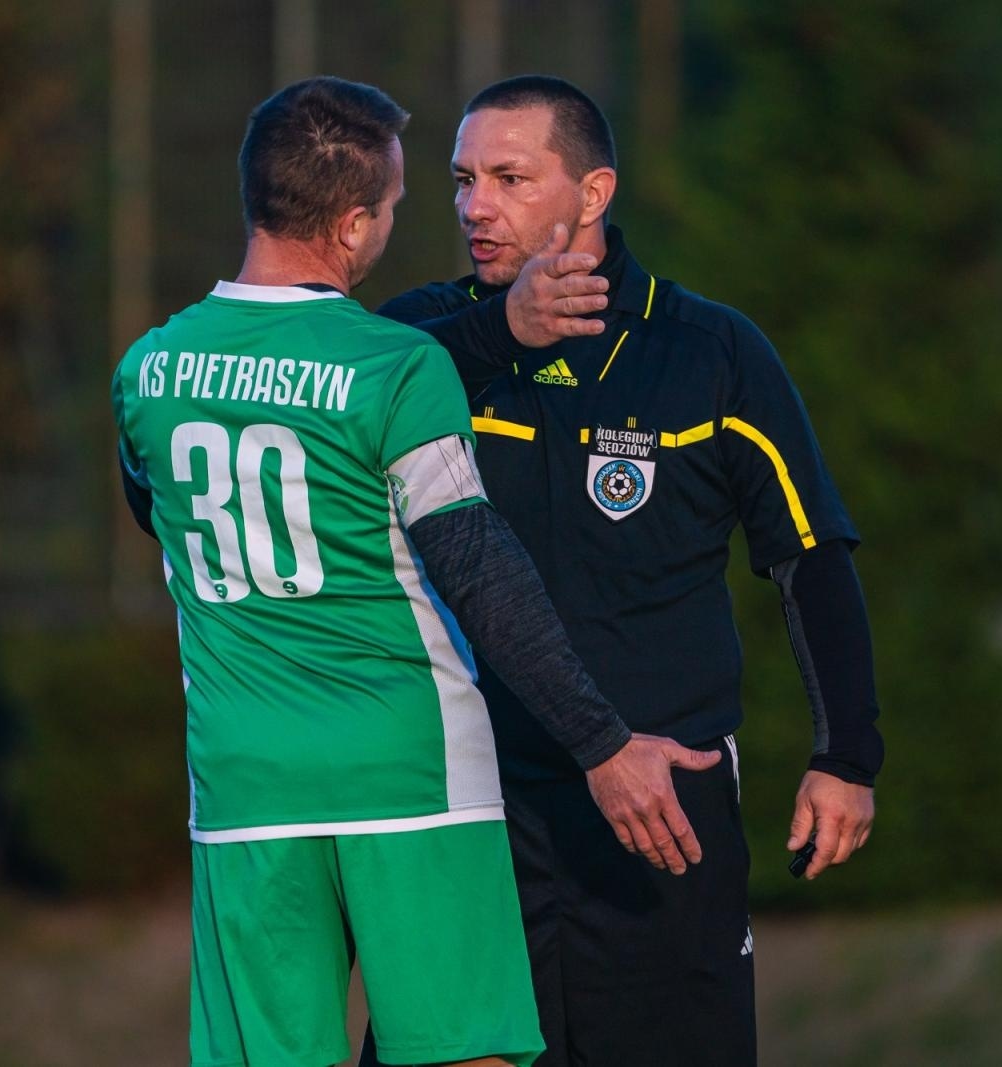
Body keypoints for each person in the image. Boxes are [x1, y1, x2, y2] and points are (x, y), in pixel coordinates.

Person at [110, 76, 723, 1067]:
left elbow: (158, 513)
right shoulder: (395, 366)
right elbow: (477, 567)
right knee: (460, 1051)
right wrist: (602, 741)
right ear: (352, 225)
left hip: (245, 784)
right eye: (394, 207)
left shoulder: (147, 371)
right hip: (412, 772)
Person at [365, 75, 884, 1067]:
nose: (476, 206)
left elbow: (808, 556)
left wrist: (846, 754)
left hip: (662, 806)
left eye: (510, 178)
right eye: (463, 180)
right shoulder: (423, 340)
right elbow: (349, 392)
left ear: (593, 192)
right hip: (469, 805)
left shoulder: (709, 352)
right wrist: (501, 333)